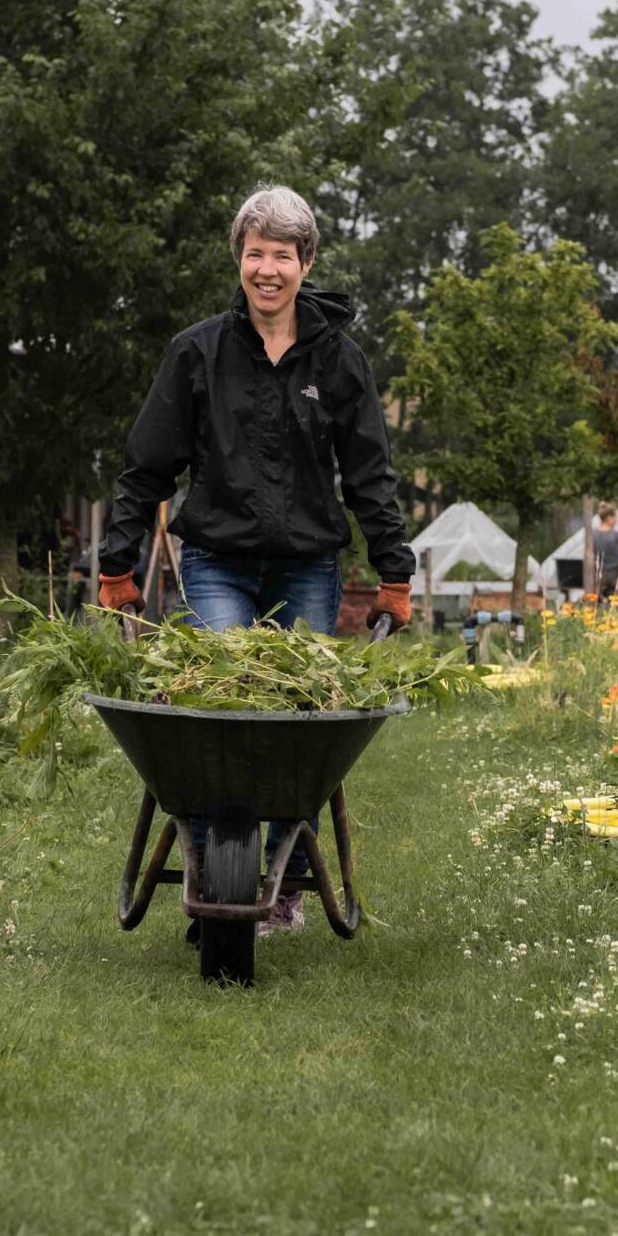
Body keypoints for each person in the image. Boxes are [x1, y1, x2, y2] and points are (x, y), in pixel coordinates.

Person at [96, 185, 416, 934]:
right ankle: (215, 877)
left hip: (307, 565)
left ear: (306, 262)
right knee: (218, 712)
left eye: (282, 254)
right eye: (254, 252)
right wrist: (117, 564)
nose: (266, 268)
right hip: (217, 561)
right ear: (237, 259)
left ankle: (286, 881)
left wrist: (395, 571)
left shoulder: (339, 362)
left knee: (298, 719)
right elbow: (146, 468)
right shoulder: (198, 352)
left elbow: (370, 474)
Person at [586, 506, 618, 599]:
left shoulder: (592, 534)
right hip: (615, 576)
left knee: (599, 600)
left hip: (599, 577)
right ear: (609, 518)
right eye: (615, 517)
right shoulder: (617, 534)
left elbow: (588, 555)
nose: (616, 520)